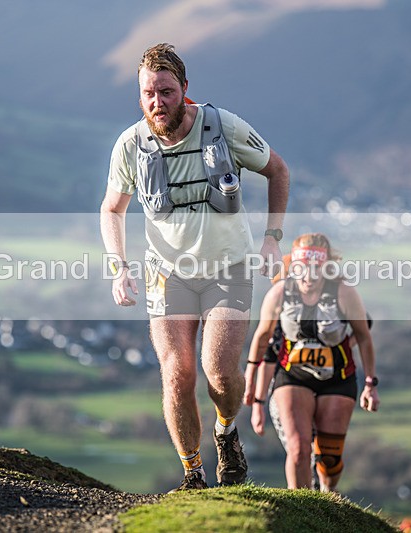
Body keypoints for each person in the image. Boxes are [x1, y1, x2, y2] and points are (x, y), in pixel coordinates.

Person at [100, 43, 290, 491]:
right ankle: (193, 475)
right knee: (177, 372)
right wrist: (118, 266)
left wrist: (272, 238)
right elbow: (112, 209)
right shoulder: (131, 144)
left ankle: (226, 432)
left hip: (229, 267)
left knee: (219, 372)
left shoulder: (221, 127)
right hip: (167, 272)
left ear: (185, 89)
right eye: (148, 92)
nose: (156, 102)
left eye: (166, 92)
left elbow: (278, 172)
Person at [244, 233, 379, 491]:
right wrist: (252, 385)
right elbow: (264, 341)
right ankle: (303, 506)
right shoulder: (280, 293)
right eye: (301, 268)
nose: (308, 275)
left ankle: (328, 497)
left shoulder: (344, 293)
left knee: (329, 458)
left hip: (337, 378)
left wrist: (370, 384)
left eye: (316, 268)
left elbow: (364, 336)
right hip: (293, 376)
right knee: (297, 449)